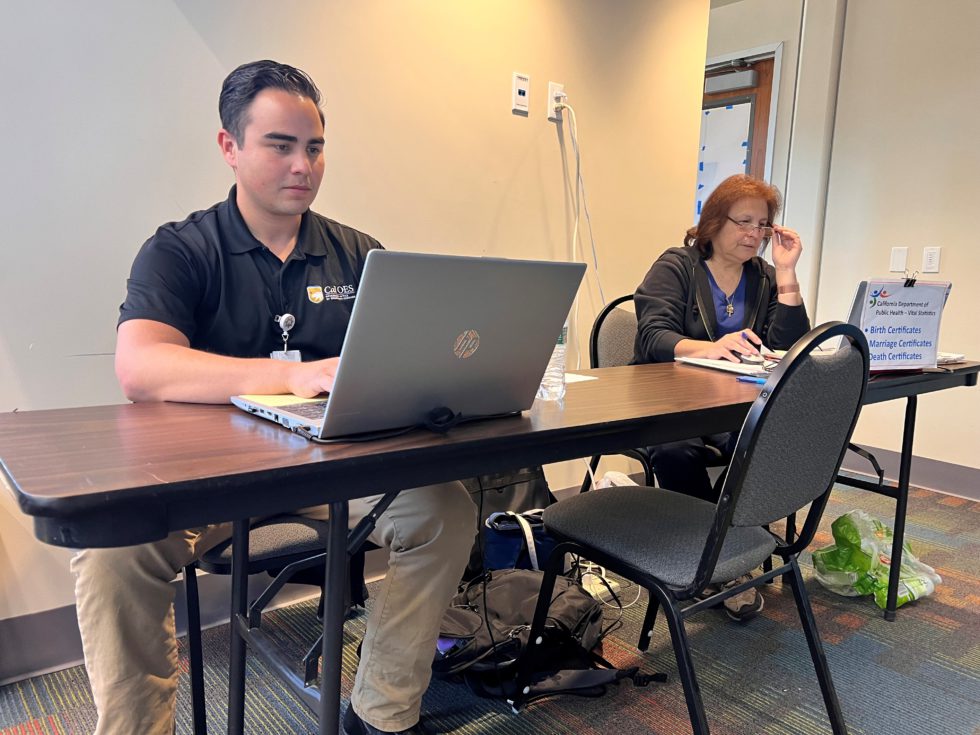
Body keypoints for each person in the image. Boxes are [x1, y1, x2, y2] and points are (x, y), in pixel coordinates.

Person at [70, 60, 474, 735]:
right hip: (208, 478)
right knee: (110, 550)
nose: (303, 166)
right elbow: (140, 366)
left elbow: (397, 362)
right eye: (280, 145)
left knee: (445, 512)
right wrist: (288, 375)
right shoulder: (179, 250)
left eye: (315, 147)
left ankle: (382, 714)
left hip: (330, 468)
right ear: (229, 147)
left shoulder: (359, 254)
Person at [632, 173, 810, 620]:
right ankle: (717, 559)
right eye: (743, 221)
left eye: (762, 224)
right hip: (668, 401)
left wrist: (787, 273)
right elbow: (653, 335)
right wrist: (707, 348)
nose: (754, 233)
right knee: (676, 451)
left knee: (764, 447)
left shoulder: (764, 276)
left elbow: (787, 346)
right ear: (714, 221)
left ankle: (715, 552)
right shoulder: (677, 265)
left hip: (732, 404)